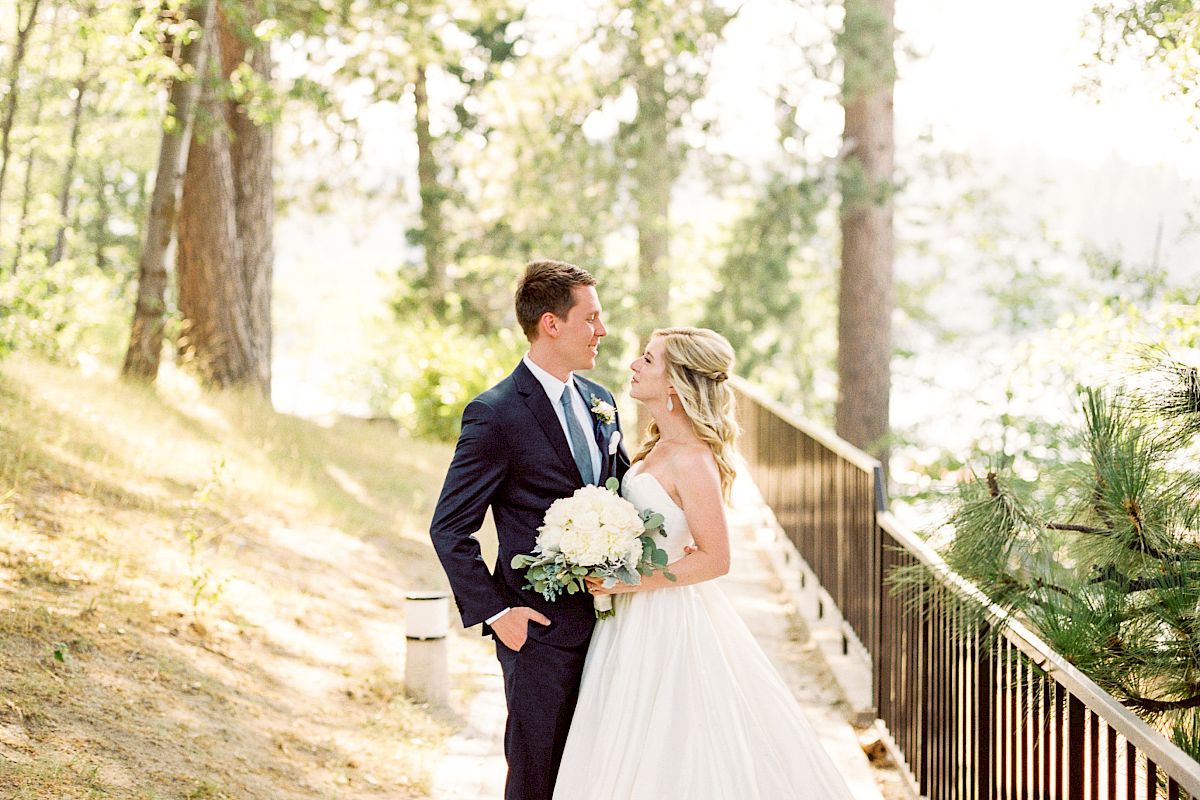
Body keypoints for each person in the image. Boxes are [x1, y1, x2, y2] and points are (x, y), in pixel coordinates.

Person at [553, 326, 855, 799]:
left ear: (675, 382)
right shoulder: (657, 447)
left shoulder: (693, 459)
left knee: (673, 746)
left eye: (648, 360)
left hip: (663, 618)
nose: (634, 365)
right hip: (627, 617)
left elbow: (717, 559)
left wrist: (627, 580)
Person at [428, 260, 631, 800]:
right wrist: (499, 615)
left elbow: (626, 496)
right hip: (539, 633)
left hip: (617, 629)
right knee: (537, 778)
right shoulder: (495, 414)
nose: (602, 332)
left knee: (599, 774)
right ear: (551, 324)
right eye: (591, 318)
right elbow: (450, 528)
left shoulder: (602, 402)